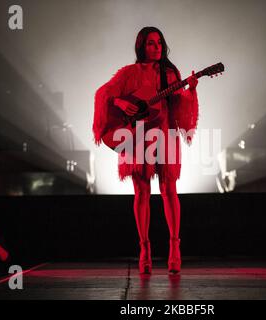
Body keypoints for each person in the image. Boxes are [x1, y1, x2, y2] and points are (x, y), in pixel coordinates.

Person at [93, 26, 199, 274]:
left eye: (160, 42)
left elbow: (179, 104)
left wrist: (191, 89)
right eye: (151, 43)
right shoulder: (129, 73)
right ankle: (145, 249)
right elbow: (104, 94)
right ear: (142, 45)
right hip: (139, 136)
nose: (157, 47)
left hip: (164, 133)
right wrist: (119, 101)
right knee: (142, 191)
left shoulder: (170, 73)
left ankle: (175, 248)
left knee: (169, 189)